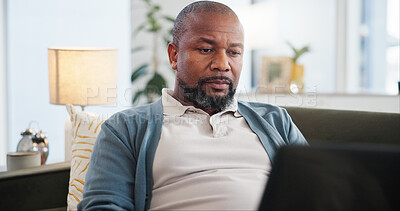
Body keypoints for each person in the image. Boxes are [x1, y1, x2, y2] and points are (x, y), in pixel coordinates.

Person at [78, 1, 307, 210]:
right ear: (174, 55)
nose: (222, 64)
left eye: (234, 52)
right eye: (206, 50)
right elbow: (103, 205)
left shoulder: (276, 121)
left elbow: (318, 189)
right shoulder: (126, 128)